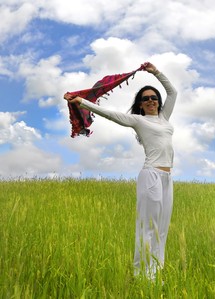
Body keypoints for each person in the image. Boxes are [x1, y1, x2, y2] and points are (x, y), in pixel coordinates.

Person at [64, 62, 177, 281]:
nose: (151, 101)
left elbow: (173, 91)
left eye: (154, 98)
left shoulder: (164, 118)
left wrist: (155, 72)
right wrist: (82, 102)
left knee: (162, 228)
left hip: (167, 177)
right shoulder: (138, 120)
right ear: (141, 105)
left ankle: (156, 273)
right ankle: (142, 274)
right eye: (146, 99)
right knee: (148, 228)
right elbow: (109, 114)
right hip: (151, 175)